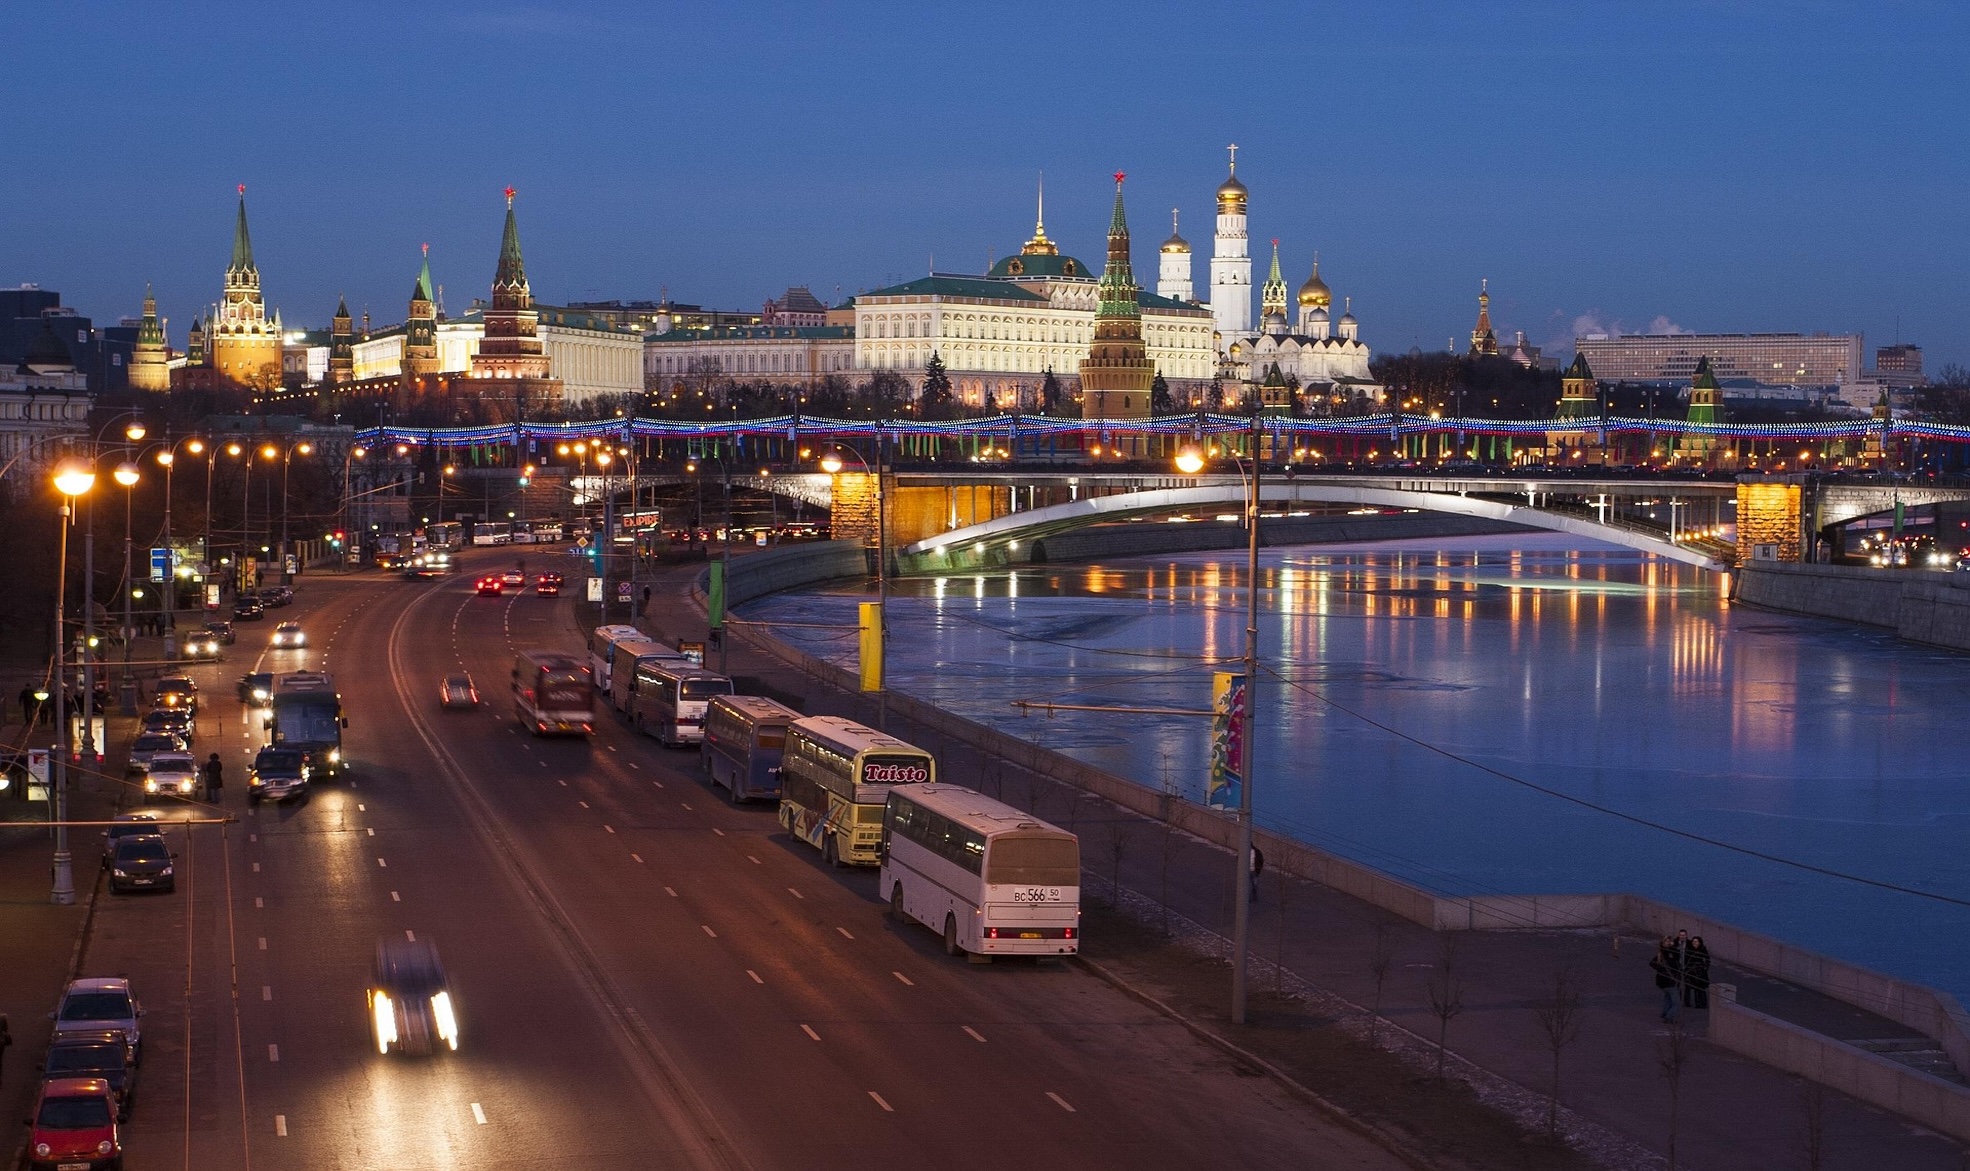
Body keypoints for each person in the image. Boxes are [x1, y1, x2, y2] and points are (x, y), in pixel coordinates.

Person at [1651, 937, 1680, 1022]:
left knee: (1667, 997)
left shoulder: (1662, 953)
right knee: (1676, 1002)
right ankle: (1669, 1016)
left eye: (1669, 941)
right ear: (1663, 943)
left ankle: (1665, 1012)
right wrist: (1662, 969)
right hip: (1669, 980)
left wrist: (1660, 969)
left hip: (1662, 981)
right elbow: (1676, 957)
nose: (1669, 943)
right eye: (1667, 941)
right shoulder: (1667, 953)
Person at [1686, 936, 1711, 1010]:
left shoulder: (1702, 950)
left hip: (1701, 972)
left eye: (1696, 942)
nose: (1694, 943)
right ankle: (1697, 1003)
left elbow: (1707, 960)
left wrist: (1705, 967)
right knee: (1695, 988)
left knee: (1701, 988)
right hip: (1693, 971)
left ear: (1699, 943)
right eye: (1693, 941)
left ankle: (1703, 1003)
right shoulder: (1690, 950)